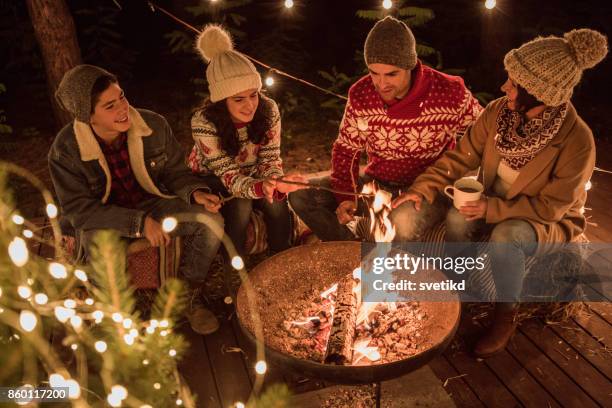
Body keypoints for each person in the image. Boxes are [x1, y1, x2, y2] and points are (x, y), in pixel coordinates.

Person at [393, 29, 608, 357]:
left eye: (513, 83)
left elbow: (551, 207)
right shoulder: (498, 114)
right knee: (455, 216)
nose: (504, 87)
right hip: (493, 202)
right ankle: (456, 292)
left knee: (507, 236)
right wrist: (422, 189)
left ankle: (505, 314)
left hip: (543, 220)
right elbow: (459, 157)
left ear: (539, 92)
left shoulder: (577, 141)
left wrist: (491, 210)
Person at [49, 65, 224, 335]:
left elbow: (175, 172)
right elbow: (79, 211)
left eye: (122, 97)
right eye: (110, 106)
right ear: (87, 116)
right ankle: (113, 314)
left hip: (151, 201)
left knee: (210, 220)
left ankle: (185, 296)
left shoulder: (152, 124)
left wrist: (195, 192)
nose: (123, 109)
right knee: (99, 247)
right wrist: (139, 224)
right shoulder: (65, 151)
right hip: (103, 217)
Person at [289, 16, 482, 242]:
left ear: (410, 65)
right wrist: (345, 197)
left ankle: (390, 269)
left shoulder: (448, 91)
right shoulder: (361, 94)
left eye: (391, 74)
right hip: (377, 183)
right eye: (374, 73)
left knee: (402, 221)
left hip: (428, 190)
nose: (381, 84)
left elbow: (482, 134)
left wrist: (452, 179)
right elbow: (346, 149)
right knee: (301, 196)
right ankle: (351, 256)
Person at [187, 25, 305, 259]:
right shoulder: (204, 121)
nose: (250, 105)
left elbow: (270, 157)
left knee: (276, 203)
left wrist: (273, 181)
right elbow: (228, 174)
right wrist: (259, 187)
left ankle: (282, 259)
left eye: (253, 95)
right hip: (212, 177)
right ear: (221, 100)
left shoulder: (268, 109)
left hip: (251, 172)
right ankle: (234, 267)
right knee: (241, 205)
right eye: (239, 99)